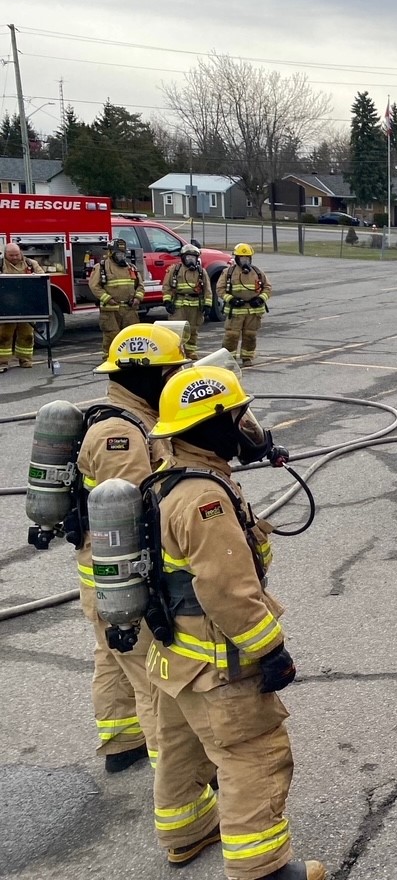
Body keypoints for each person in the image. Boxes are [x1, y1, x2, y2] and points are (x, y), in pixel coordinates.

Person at [145, 365, 323, 879]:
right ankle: (262, 869)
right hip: (215, 660)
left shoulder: (170, 476)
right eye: (239, 416)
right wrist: (271, 652)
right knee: (253, 754)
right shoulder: (205, 497)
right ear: (214, 423)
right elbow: (227, 589)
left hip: (173, 654)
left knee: (181, 748)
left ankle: (185, 833)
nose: (247, 425)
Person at [76, 324, 190, 773]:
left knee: (114, 652)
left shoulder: (131, 416)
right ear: (145, 374)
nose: (173, 379)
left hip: (107, 573)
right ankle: (179, 784)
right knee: (153, 678)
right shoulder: (119, 433)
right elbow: (138, 510)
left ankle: (122, 741)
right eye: (169, 372)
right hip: (122, 574)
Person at [88, 236, 145, 360]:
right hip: (110, 310)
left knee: (131, 334)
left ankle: (130, 358)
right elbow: (94, 286)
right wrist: (107, 298)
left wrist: (137, 298)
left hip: (129, 310)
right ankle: (109, 359)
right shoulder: (101, 267)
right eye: (117, 253)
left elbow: (140, 286)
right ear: (110, 253)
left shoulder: (131, 268)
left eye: (122, 253)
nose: (121, 256)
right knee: (111, 335)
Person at [218, 243, 271, 365]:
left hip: (253, 311)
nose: (245, 261)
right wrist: (231, 299)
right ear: (237, 259)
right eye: (242, 259)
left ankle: (247, 357)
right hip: (235, 311)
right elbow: (220, 289)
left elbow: (267, 287)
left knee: (250, 335)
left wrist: (260, 299)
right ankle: (228, 359)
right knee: (231, 335)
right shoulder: (228, 273)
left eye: (247, 258)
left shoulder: (257, 273)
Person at [162, 244, 214, 359]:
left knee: (193, 330)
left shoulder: (201, 272)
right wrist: (167, 301)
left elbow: (207, 290)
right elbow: (166, 287)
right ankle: (177, 352)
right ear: (182, 258)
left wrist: (207, 305)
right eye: (188, 258)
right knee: (176, 330)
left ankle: (190, 352)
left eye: (193, 258)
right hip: (178, 305)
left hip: (195, 306)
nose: (191, 260)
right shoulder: (174, 270)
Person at [0, 241, 44, 371]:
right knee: (4, 335)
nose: (14, 257)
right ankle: (2, 362)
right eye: (11, 255)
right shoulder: (0, 264)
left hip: (27, 306)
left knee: (27, 334)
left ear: (21, 253)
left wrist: (36, 278)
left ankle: (25, 359)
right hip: (6, 306)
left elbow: (44, 280)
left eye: (16, 254)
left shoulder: (31, 264)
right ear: (5, 254)